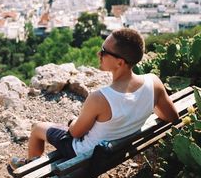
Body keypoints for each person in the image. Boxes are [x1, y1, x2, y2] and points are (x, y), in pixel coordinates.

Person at [10, 28, 179, 170]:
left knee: (38, 128)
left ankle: (30, 165)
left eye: (104, 52)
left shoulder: (101, 98)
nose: (99, 53)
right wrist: (139, 108)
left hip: (86, 155)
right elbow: (171, 117)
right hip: (117, 150)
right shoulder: (153, 82)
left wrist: (74, 122)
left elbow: (75, 133)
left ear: (119, 62)